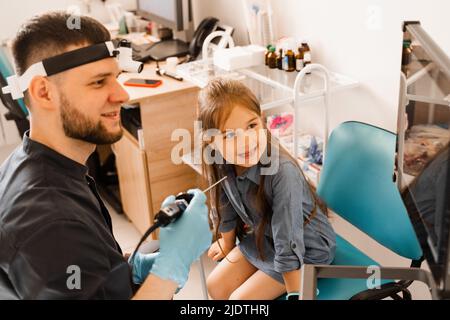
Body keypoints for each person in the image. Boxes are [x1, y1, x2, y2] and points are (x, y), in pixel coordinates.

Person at [0, 12, 211, 299]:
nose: (121, 95)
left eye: (116, 77)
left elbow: (85, 263)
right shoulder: (50, 221)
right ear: (44, 92)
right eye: (99, 82)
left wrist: (128, 268)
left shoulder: (40, 162)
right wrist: (170, 268)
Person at [200, 78, 336, 300]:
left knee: (238, 302)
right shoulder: (222, 160)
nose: (246, 141)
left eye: (251, 126)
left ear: (262, 122)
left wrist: (296, 294)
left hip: (306, 248)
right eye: (230, 135)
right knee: (215, 285)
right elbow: (226, 204)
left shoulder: (283, 172)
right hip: (266, 237)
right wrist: (226, 241)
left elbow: (289, 240)